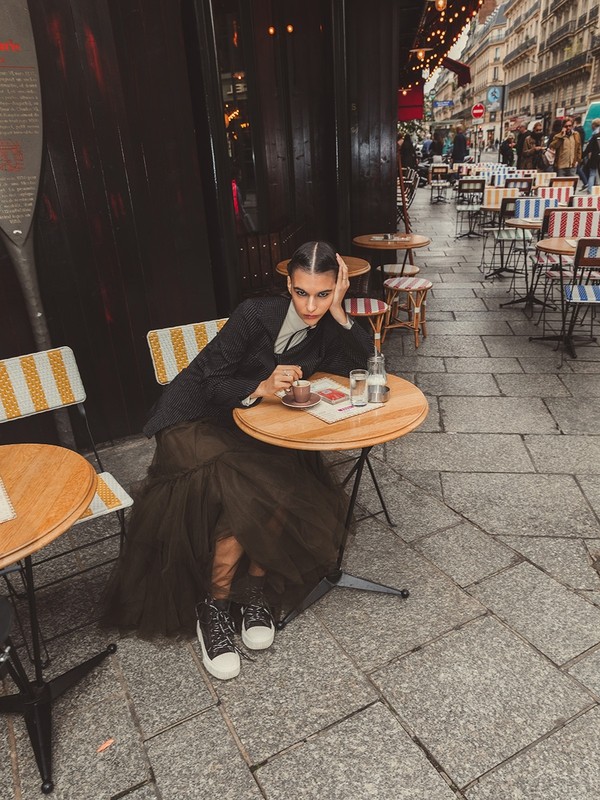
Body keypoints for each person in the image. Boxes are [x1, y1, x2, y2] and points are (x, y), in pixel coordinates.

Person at [102, 242, 373, 680]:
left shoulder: (327, 324)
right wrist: (260, 386)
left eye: (323, 294)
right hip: (195, 419)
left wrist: (341, 312)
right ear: (288, 284)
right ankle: (215, 604)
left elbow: (364, 364)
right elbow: (209, 381)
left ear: (336, 289)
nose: (311, 306)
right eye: (302, 292)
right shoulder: (254, 314)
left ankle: (252, 592)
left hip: (254, 426)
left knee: (279, 474)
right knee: (254, 483)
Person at [582, 118, 600, 193]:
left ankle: (590, 190)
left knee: (592, 174)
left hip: (594, 157)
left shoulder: (595, 136)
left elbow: (589, 148)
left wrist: (582, 156)